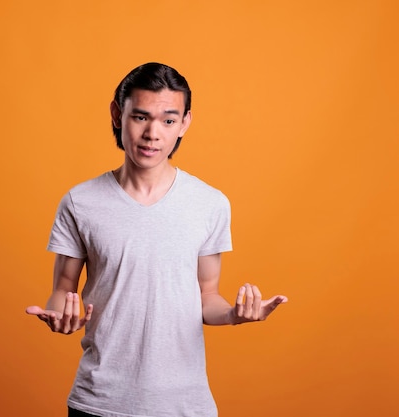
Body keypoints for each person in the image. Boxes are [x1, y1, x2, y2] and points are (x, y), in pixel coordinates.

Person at [26, 62, 287, 417]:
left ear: (184, 123)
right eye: (141, 117)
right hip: (99, 402)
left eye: (168, 120)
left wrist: (234, 315)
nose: (153, 133)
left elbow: (206, 296)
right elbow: (63, 288)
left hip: (184, 404)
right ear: (118, 115)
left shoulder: (210, 203)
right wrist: (59, 315)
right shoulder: (80, 201)